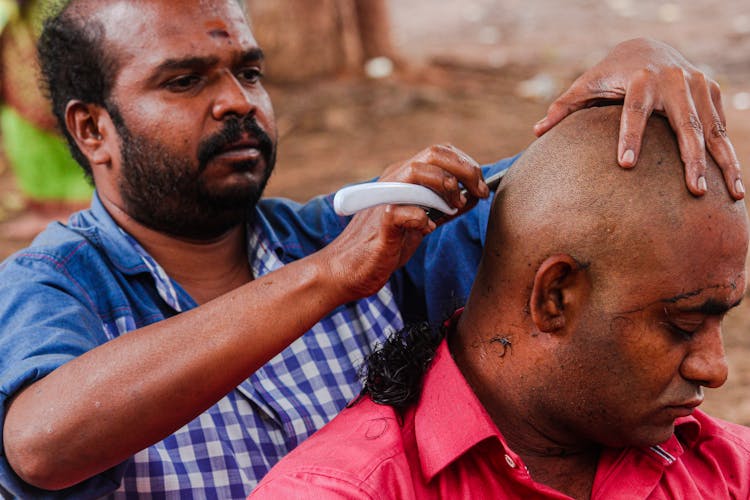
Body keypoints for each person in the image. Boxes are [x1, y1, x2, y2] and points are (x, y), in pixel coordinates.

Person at [0, 0, 743, 497]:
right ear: (92, 129)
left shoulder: (359, 232)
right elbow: (41, 444)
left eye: (249, 73)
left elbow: (578, 210)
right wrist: (325, 279)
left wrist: (635, 67)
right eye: (186, 81)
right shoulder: (58, 283)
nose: (237, 102)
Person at [250, 105, 750, 499]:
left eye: (720, 323)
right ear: (554, 298)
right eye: (683, 326)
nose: (715, 368)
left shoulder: (728, 469)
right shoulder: (343, 490)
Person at [0, 0, 93, 240]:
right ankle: (46, 211)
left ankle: (91, 205)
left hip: (64, 32)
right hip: (19, 46)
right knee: (21, 129)